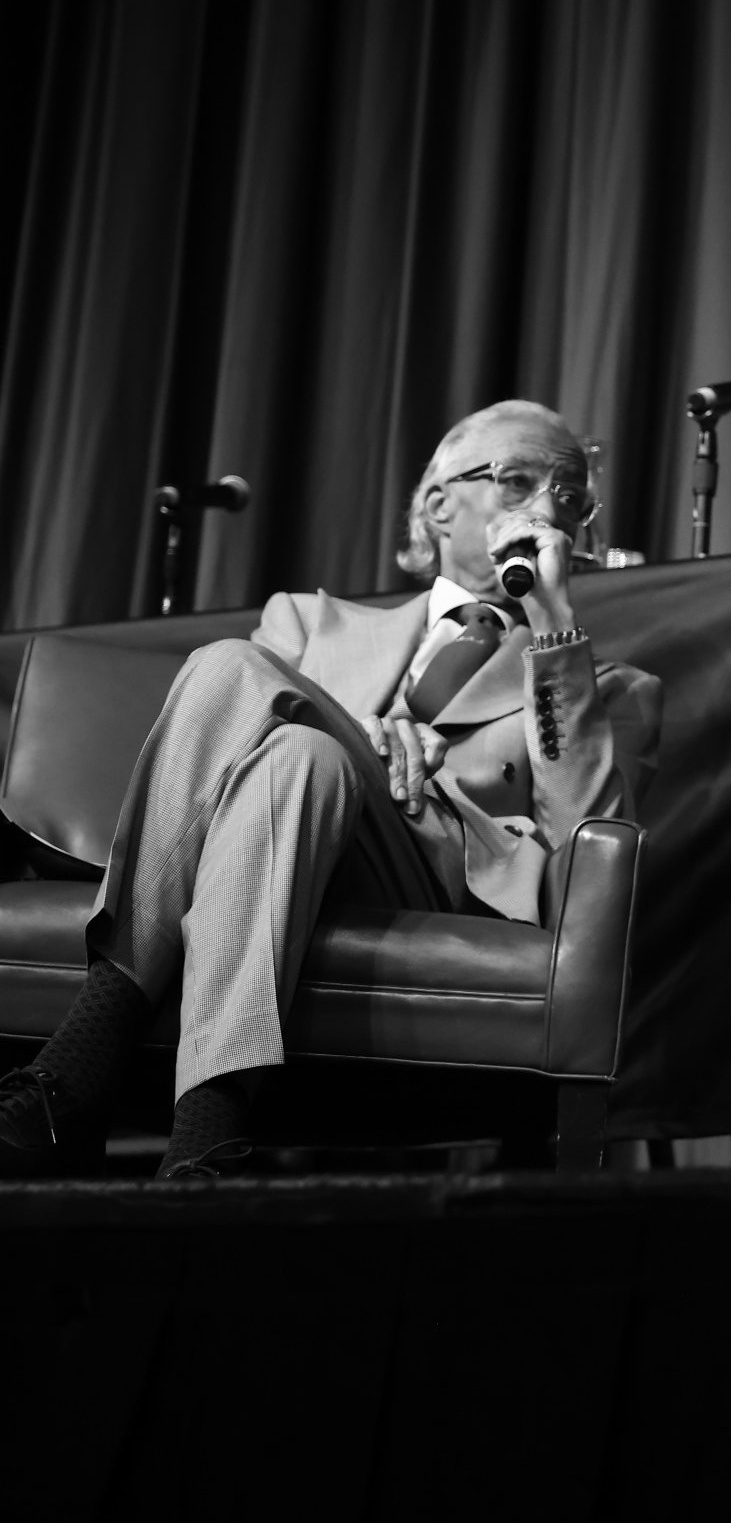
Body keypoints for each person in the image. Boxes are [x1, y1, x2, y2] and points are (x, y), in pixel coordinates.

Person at [0, 401, 663, 1176]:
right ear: (439, 506)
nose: (549, 507)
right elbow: (236, 756)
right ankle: (208, 1146)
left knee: (283, 723)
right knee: (294, 752)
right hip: (289, 849)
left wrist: (551, 628)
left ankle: (77, 1071)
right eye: (519, 480)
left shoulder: (603, 684)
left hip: (432, 876)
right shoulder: (311, 623)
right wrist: (362, 735)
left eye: (571, 497)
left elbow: (585, 845)